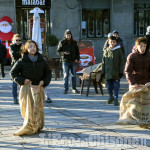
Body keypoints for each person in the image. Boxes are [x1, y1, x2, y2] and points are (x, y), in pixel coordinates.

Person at [10, 40, 51, 136]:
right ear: (26, 49)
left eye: (34, 46)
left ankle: (38, 125)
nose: (33, 48)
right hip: (27, 88)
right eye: (30, 46)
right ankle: (28, 126)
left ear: (37, 48)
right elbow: (13, 73)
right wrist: (22, 80)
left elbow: (48, 73)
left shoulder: (42, 60)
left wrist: (44, 81)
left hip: (39, 87)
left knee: (38, 108)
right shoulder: (22, 60)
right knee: (28, 108)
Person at [102, 36, 124, 106]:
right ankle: (110, 96)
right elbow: (103, 62)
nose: (112, 43)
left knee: (116, 86)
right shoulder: (106, 51)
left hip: (116, 72)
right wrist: (103, 71)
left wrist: (121, 71)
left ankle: (116, 98)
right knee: (109, 86)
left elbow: (121, 61)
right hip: (108, 72)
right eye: (111, 42)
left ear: (116, 43)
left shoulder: (118, 50)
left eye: (114, 42)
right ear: (108, 42)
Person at [57, 29, 80, 94]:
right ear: (65, 35)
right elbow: (58, 51)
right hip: (65, 61)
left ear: (71, 35)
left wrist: (77, 58)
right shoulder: (62, 42)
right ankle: (66, 89)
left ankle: (74, 88)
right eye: (67, 35)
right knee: (66, 75)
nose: (68, 36)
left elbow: (77, 51)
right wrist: (63, 53)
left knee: (74, 75)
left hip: (73, 60)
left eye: (69, 35)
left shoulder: (74, 42)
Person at [9, 34, 22, 104]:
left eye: (19, 40)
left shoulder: (22, 46)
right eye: (17, 40)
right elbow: (13, 55)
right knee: (14, 82)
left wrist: (19, 54)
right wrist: (20, 54)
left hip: (22, 66)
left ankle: (21, 97)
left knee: (21, 83)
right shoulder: (11, 46)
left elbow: (24, 54)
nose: (18, 42)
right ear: (14, 40)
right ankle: (15, 98)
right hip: (14, 66)